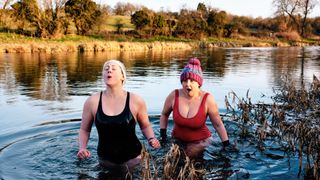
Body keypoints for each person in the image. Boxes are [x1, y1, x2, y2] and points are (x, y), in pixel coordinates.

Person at [77, 59, 160, 170]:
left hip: (134, 162)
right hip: (105, 163)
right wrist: (82, 148)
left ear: (123, 76)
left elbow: (145, 126)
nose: (109, 70)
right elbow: (84, 130)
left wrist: (151, 138)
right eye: (106, 69)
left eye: (113, 68)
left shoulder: (136, 100)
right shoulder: (92, 101)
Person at [159, 58, 230, 158]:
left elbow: (218, 125)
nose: (187, 84)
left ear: (199, 83)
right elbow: (164, 115)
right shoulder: (174, 95)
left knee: (190, 154)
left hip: (201, 141)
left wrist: (226, 145)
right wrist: (163, 136)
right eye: (184, 80)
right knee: (171, 158)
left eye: (192, 80)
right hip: (177, 139)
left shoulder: (207, 99)